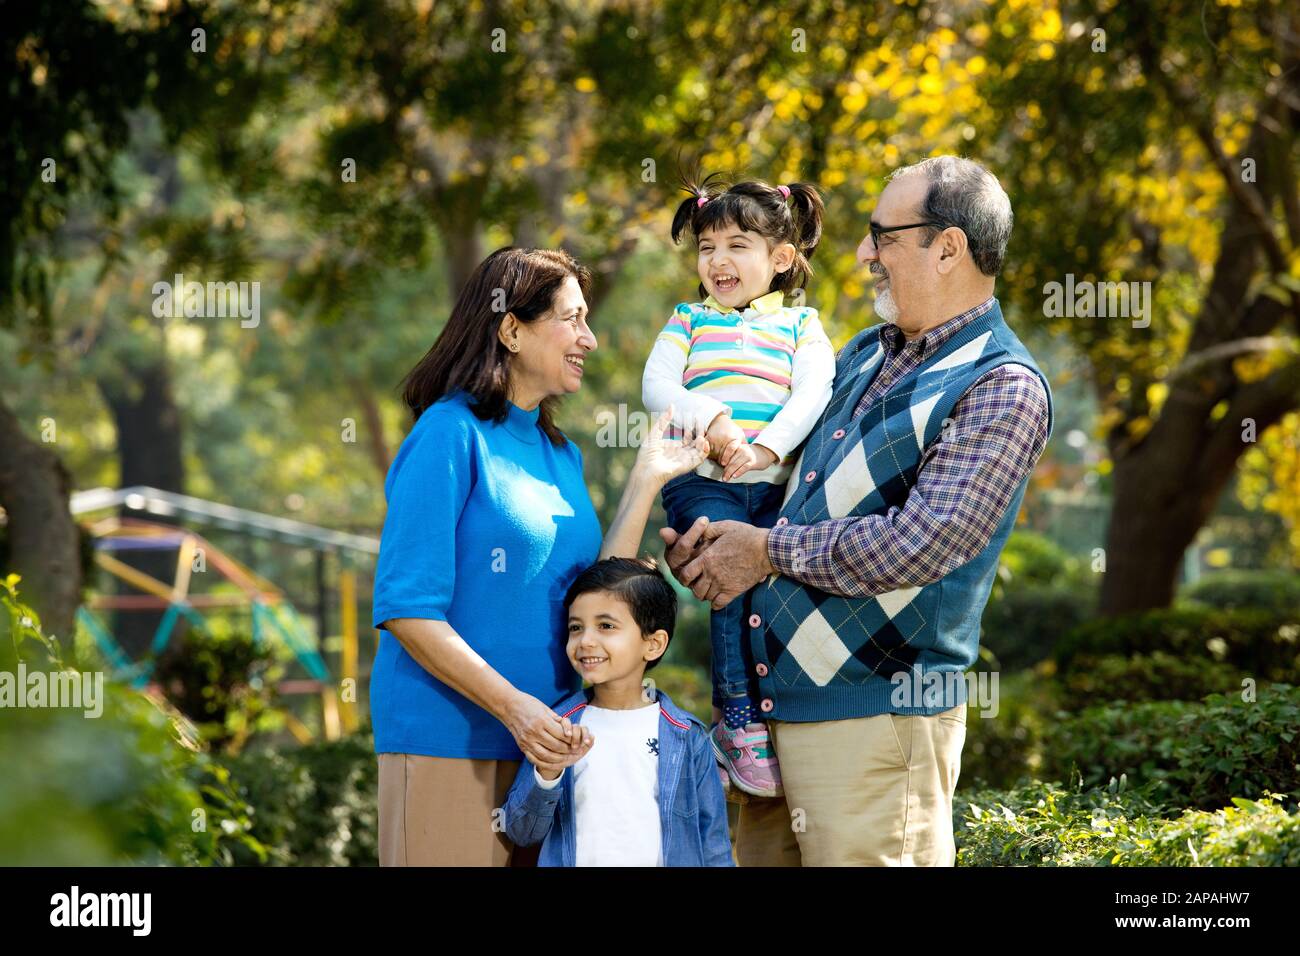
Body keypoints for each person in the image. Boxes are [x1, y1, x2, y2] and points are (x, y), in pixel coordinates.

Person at [661, 156, 1054, 866]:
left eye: (883, 235)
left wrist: (761, 552)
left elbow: (920, 543)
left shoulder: (1001, 385)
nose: (863, 252)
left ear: (947, 247)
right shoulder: (865, 354)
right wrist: (711, 536)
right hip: (770, 724)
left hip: (877, 724)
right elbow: (780, 496)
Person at [370, 246, 707, 866]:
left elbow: (598, 594)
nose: (591, 338)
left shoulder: (562, 455)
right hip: (450, 741)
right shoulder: (449, 434)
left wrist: (645, 482)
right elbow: (407, 609)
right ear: (511, 328)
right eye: (572, 319)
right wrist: (515, 709)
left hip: (550, 755)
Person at [642, 175, 835, 797]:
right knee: (728, 581)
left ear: (780, 259)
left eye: (737, 245)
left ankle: (777, 706)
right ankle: (737, 719)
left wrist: (766, 447)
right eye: (706, 247)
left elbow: (813, 394)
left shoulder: (803, 326)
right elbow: (658, 387)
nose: (718, 260)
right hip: (703, 481)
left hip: (777, 486)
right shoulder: (687, 320)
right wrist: (715, 421)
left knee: (769, 592)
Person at [501, 557, 734, 866]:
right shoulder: (557, 726)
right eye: (576, 627)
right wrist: (548, 770)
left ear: (653, 644)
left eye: (606, 626)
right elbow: (521, 830)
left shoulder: (686, 735)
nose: (585, 641)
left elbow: (714, 843)